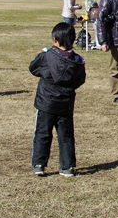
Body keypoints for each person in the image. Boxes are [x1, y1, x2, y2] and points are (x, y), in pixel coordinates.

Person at [29, 22, 86, 177]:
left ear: (55, 40)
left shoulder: (47, 57)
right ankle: (67, 167)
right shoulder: (77, 61)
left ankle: (39, 164)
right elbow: (80, 80)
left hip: (46, 103)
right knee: (66, 135)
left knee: (42, 132)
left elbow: (33, 68)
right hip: (65, 104)